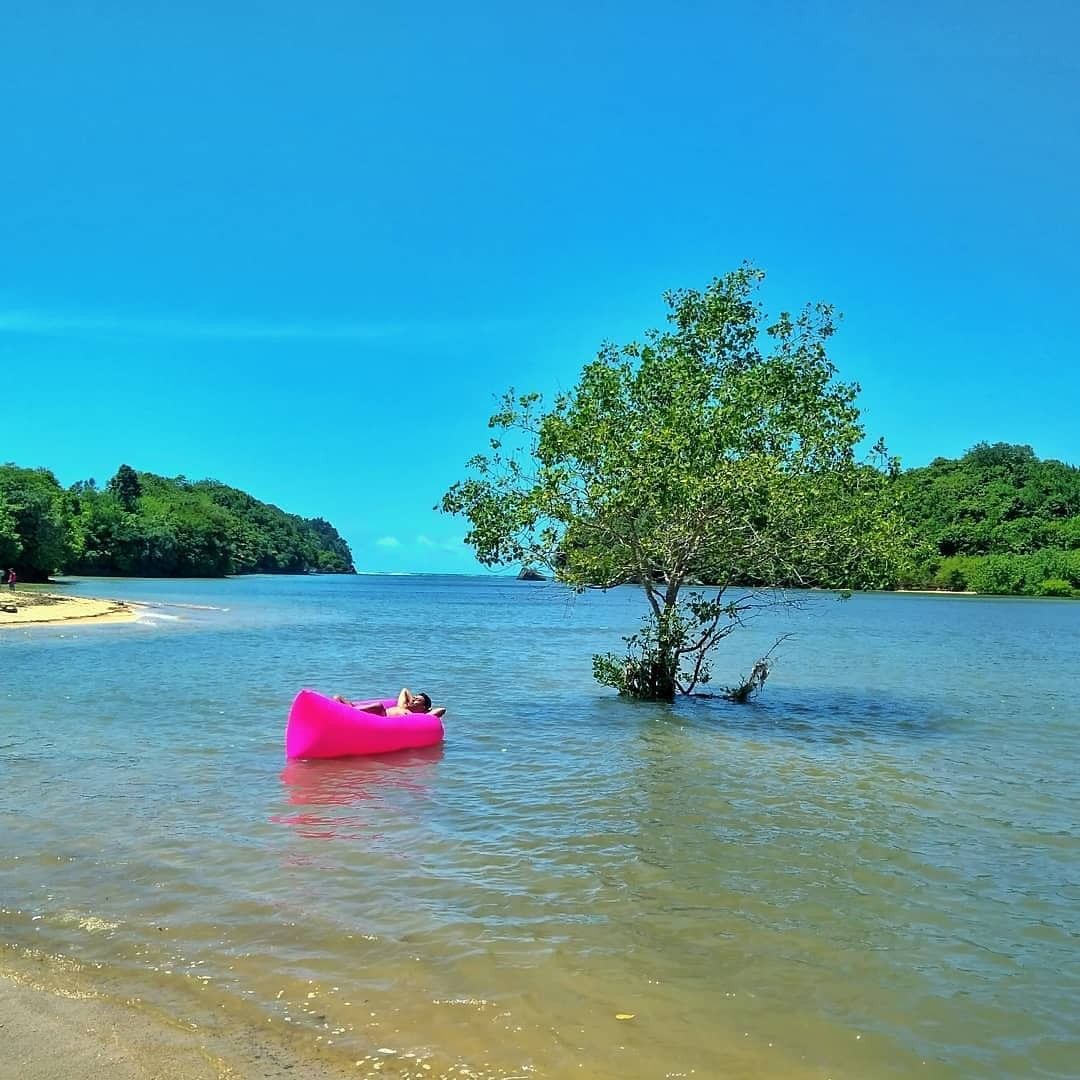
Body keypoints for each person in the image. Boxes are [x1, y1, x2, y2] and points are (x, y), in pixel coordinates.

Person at [335, 687, 446, 718]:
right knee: (337, 697)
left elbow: (442, 710)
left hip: (382, 716)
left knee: (379, 706)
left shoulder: (415, 716)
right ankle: (349, 709)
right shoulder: (402, 706)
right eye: (414, 697)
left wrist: (427, 711)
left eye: (417, 700)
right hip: (374, 714)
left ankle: (348, 710)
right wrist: (412, 699)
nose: (413, 700)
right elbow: (405, 690)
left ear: (423, 707)